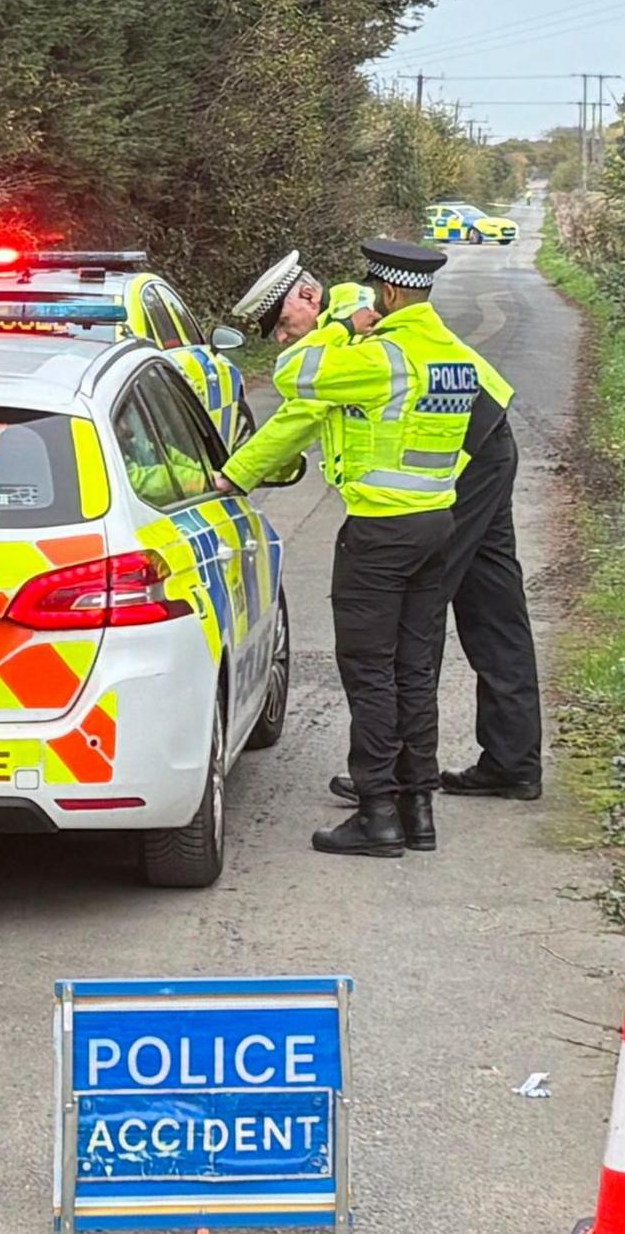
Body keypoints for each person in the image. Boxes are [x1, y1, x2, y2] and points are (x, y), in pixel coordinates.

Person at [216, 240, 481, 858]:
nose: (283, 338)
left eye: (285, 323)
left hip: (380, 532)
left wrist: (339, 327)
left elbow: (294, 378)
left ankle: (376, 813)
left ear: (386, 293)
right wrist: (240, 473)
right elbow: (308, 415)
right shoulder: (451, 354)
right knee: (414, 671)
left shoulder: (380, 356)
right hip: (435, 523)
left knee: (369, 673)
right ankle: (417, 809)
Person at [327, 299, 546, 804]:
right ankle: (512, 762)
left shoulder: (343, 326)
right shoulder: (360, 314)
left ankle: (396, 774)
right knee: (492, 605)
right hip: (490, 436)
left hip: (464, 458)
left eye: (281, 325)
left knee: (416, 608)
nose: (280, 338)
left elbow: (300, 412)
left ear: (307, 299)